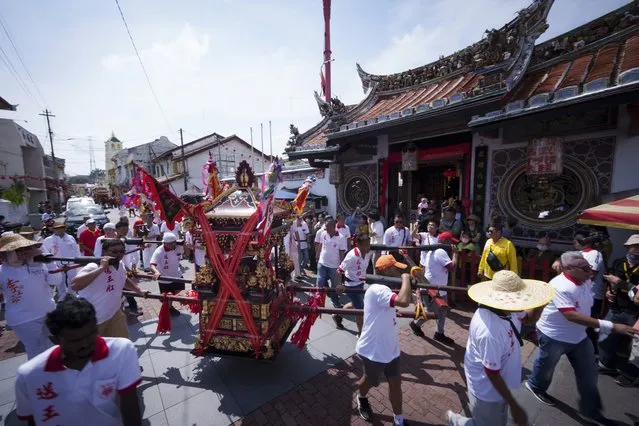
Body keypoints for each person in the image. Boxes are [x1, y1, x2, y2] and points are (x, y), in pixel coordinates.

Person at [526, 252, 639, 424]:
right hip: (554, 335)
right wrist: (612, 326)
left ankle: (592, 411)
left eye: (590, 267)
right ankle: (535, 386)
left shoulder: (584, 278)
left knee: (589, 374)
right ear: (569, 269)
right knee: (546, 367)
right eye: (585, 268)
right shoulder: (559, 286)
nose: (590, 271)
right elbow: (571, 315)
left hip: (579, 337)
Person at [446, 270, 554, 426]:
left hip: (500, 378)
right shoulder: (489, 331)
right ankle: (456, 421)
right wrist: (515, 406)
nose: (523, 302)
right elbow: (492, 374)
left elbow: (529, 319)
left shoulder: (510, 310)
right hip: (486, 387)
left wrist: (541, 304)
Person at [14, 296, 143, 425]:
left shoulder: (120, 351)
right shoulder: (29, 375)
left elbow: (130, 406)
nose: (85, 344)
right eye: (75, 341)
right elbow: (30, 420)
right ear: (55, 340)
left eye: (91, 334)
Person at [355, 255, 413, 426]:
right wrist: (405, 279)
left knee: (396, 383)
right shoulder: (378, 289)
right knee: (370, 381)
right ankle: (361, 397)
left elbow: (398, 301)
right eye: (395, 269)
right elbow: (403, 301)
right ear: (384, 271)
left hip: (390, 348)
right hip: (373, 350)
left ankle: (399, 421)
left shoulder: (384, 290)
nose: (398, 271)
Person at [72, 239, 148, 338]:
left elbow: (123, 279)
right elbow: (74, 285)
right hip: (94, 320)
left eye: (122, 251)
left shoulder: (120, 264)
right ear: (104, 251)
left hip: (115, 313)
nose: (119, 254)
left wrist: (139, 291)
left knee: (122, 344)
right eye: (114, 252)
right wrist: (102, 268)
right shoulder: (94, 265)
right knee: (96, 350)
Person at [0, 233, 59, 359]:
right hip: (24, 319)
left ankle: (55, 374)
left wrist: (49, 262)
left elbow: (56, 281)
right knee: (36, 351)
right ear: (6, 254)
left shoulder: (38, 264)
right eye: (18, 250)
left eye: (26, 248)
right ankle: (39, 377)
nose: (24, 252)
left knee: (53, 346)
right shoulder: (1, 271)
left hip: (48, 312)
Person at [598, 234, 639, 376]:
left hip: (634, 312)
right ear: (627, 247)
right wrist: (609, 292)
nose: (637, 249)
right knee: (606, 336)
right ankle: (605, 363)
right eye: (635, 246)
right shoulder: (618, 262)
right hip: (616, 307)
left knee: (635, 345)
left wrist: (622, 284)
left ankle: (631, 372)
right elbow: (610, 284)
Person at [410, 231, 458, 344]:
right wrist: (455, 254)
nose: (452, 245)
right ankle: (415, 324)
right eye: (450, 241)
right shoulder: (440, 251)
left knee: (443, 311)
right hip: (432, 288)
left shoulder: (436, 250)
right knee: (431, 312)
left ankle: (439, 333)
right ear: (445, 241)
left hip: (439, 287)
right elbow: (452, 268)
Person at [314, 219, 348, 328]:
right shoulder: (324, 233)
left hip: (334, 267)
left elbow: (342, 253)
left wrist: (341, 267)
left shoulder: (341, 238)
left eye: (327, 227)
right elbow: (321, 245)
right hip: (322, 263)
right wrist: (317, 254)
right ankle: (317, 304)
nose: (325, 228)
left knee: (334, 288)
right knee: (320, 282)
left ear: (333, 227)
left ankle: (336, 304)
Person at [336, 234, 373, 335]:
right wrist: (339, 284)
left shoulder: (368, 251)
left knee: (355, 304)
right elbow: (339, 270)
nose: (368, 247)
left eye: (369, 244)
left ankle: (338, 315)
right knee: (360, 310)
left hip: (360, 282)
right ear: (359, 245)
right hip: (351, 285)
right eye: (366, 245)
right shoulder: (351, 256)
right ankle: (361, 333)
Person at [42, 219, 81, 299]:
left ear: (64, 228)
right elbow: (46, 253)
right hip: (57, 264)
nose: (59, 230)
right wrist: (50, 265)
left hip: (71, 263)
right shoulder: (48, 240)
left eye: (61, 228)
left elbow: (76, 249)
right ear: (54, 229)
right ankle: (62, 295)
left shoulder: (70, 238)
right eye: (57, 228)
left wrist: (78, 260)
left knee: (72, 279)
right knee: (60, 281)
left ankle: (72, 293)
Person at [150, 232, 184, 316]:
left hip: (177, 274)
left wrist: (185, 245)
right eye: (171, 243)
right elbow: (152, 264)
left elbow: (186, 253)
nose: (174, 245)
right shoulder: (159, 251)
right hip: (165, 278)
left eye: (174, 242)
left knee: (178, 289)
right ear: (165, 243)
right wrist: (156, 272)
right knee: (169, 296)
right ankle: (169, 309)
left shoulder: (178, 247)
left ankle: (166, 301)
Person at [116, 221, 142, 317]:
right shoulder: (115, 241)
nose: (125, 231)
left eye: (126, 230)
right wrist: (127, 269)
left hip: (124, 266)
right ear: (117, 229)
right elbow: (117, 259)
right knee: (128, 290)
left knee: (126, 290)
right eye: (123, 230)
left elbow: (130, 251)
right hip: (119, 269)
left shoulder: (124, 239)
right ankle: (133, 309)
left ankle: (130, 307)